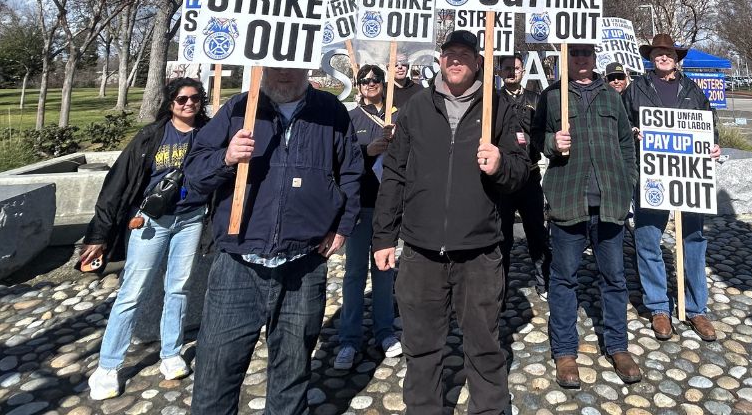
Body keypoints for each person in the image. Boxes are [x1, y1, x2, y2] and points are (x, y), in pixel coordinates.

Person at [184, 67, 362, 415]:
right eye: (276, 65)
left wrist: (342, 227)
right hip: (238, 262)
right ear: (261, 66)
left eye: (293, 65)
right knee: (216, 371)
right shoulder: (238, 108)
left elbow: (351, 173)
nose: (284, 73)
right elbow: (195, 173)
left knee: (292, 372)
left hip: (304, 264)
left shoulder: (330, 111)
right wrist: (226, 158)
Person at [372, 30, 530, 415]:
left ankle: (490, 408)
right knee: (421, 346)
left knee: (484, 345)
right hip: (421, 251)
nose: (455, 60)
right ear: (440, 60)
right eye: (449, 54)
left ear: (478, 61)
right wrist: (384, 236)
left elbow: (521, 170)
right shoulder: (416, 107)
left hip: (479, 251)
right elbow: (394, 173)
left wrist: (500, 164)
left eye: (464, 54)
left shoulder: (498, 108)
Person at [82, 78, 210, 401]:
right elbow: (118, 182)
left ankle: (171, 353)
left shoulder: (209, 133)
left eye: (195, 98)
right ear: (170, 102)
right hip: (150, 222)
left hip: (191, 219)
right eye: (182, 99)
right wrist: (99, 233)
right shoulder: (151, 136)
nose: (189, 104)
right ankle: (108, 365)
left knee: (179, 288)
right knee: (132, 292)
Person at [532, 43, 641, 388]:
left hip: (609, 203)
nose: (580, 59)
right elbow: (536, 137)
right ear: (566, 57)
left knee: (615, 278)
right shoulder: (552, 96)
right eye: (574, 53)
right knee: (564, 279)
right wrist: (552, 143)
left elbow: (626, 143)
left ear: (595, 58)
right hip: (569, 200)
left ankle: (618, 346)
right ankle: (565, 351)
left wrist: (628, 180)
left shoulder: (611, 96)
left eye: (586, 53)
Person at [625, 33, 721, 343]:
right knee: (647, 238)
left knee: (693, 239)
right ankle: (658, 307)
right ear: (651, 58)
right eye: (657, 53)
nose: (663, 57)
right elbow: (622, 123)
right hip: (651, 174)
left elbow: (710, 122)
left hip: (689, 176)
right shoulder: (636, 88)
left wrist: (714, 144)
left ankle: (696, 308)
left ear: (676, 58)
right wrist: (633, 131)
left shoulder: (692, 90)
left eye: (667, 53)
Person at [335, 65, 402, 371]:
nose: (370, 84)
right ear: (357, 85)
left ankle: (384, 331)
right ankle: (349, 339)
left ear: (383, 83)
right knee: (354, 272)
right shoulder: (351, 118)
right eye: (364, 80)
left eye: (375, 79)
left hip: (389, 205)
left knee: (385, 270)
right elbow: (341, 160)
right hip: (361, 204)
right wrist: (367, 151)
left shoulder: (397, 116)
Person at [497, 52, 551, 297]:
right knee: (502, 236)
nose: (512, 72)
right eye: (507, 68)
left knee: (537, 231)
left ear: (522, 71)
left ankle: (544, 282)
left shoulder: (535, 98)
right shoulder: (493, 99)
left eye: (516, 68)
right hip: (503, 178)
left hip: (530, 174)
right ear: (500, 72)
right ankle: (500, 288)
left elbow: (542, 131)